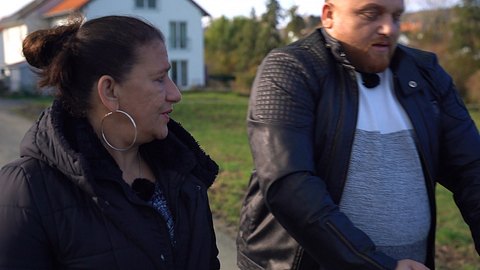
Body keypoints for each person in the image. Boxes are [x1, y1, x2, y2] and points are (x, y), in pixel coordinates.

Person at [236, 0, 480, 269]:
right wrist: (375, 264)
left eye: (396, 16)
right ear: (329, 15)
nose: (388, 28)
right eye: (370, 13)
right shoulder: (289, 69)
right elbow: (289, 185)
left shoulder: (427, 74)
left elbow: (472, 170)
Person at [0, 15, 220, 270]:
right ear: (110, 91)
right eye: (160, 79)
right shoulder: (27, 190)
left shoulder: (184, 173)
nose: (175, 94)